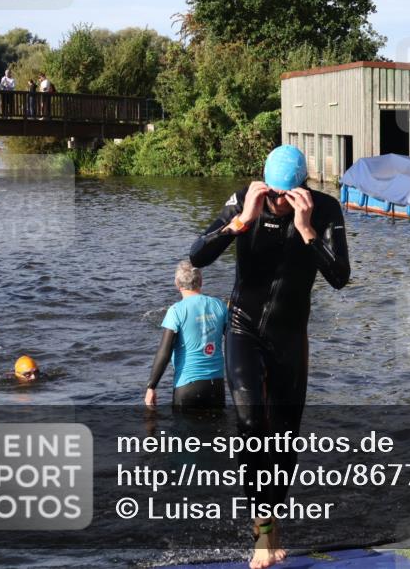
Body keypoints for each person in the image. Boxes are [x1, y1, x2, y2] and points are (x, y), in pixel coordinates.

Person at [189, 145, 349, 569]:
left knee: (283, 438)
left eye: (287, 195)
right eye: (274, 194)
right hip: (243, 327)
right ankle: (261, 533)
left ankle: (272, 521)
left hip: (289, 334)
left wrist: (306, 227)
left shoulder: (325, 209)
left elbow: (339, 277)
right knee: (248, 421)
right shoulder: (246, 200)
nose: (278, 202)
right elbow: (196, 253)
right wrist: (240, 222)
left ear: (302, 189)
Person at [145, 261, 228, 409]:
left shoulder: (176, 311)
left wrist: (151, 386)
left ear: (177, 284)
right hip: (217, 385)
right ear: (201, 282)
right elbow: (233, 340)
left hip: (187, 386)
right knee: (217, 430)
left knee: (184, 431)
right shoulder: (219, 305)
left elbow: (164, 352)